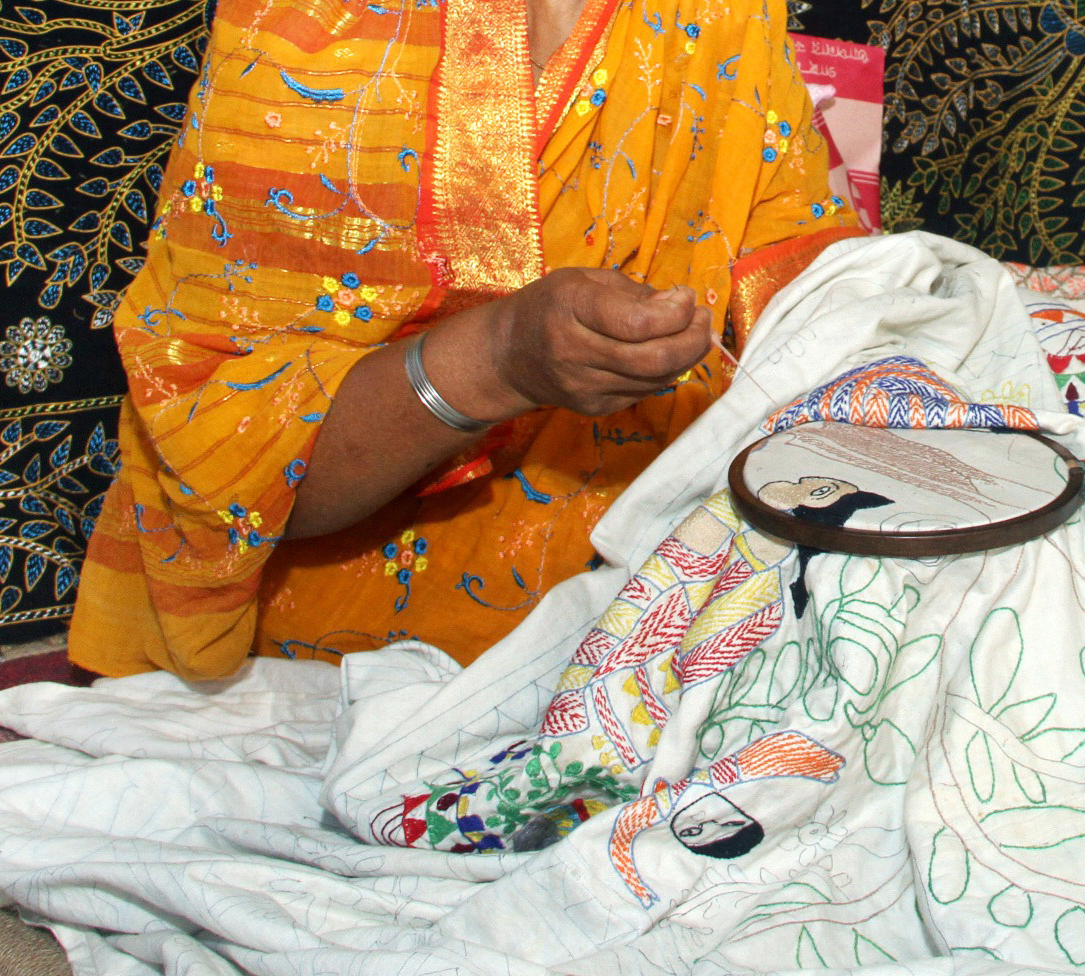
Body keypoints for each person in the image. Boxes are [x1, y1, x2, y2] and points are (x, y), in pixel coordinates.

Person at [67, 0, 864, 680]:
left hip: (678, 597)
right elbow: (226, 485)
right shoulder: (319, 27)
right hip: (367, 655)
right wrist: (498, 360)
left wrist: (943, 309)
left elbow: (796, 299)